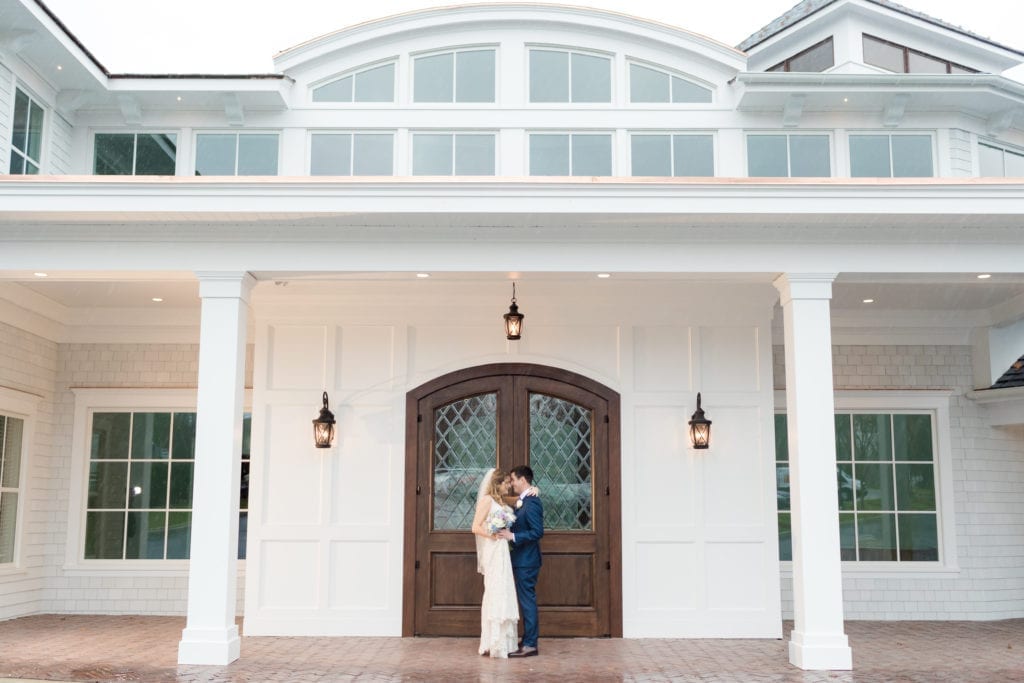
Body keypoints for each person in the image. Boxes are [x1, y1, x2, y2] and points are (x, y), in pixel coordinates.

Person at [471, 468, 519, 658]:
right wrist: (491, 534)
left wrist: (533, 491)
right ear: (497, 484)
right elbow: (475, 526)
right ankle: (493, 642)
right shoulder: (487, 501)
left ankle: (505, 641)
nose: (509, 486)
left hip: (502, 550)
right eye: (506, 483)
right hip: (493, 548)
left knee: (504, 589)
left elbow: (518, 501)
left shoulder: (501, 501)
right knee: (494, 590)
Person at [497, 465, 543, 658]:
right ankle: (527, 640)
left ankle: (531, 644)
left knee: (527, 601)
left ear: (523, 480)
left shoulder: (532, 502)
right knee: (525, 601)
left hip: (527, 560)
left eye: (514, 479)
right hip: (521, 559)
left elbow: (537, 532)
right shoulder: (523, 500)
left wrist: (512, 536)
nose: (512, 483)